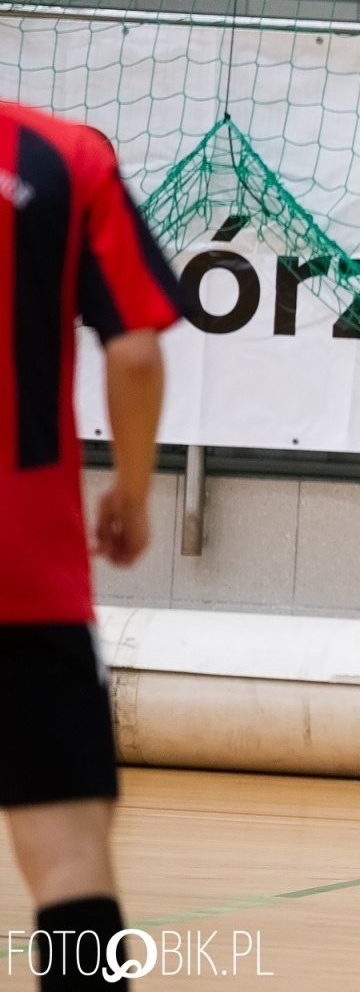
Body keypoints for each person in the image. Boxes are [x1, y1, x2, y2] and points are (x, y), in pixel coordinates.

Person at [0, 103, 183, 988]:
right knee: (69, 865)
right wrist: (134, 492)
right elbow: (137, 353)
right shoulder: (62, 156)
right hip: (23, 571)